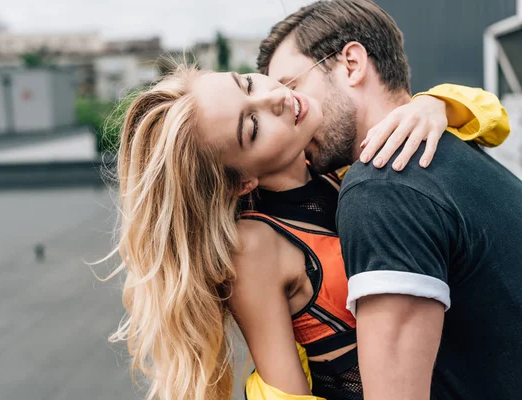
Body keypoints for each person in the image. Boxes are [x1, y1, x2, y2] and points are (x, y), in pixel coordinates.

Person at [105, 59, 508, 400]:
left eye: (247, 83)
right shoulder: (254, 247)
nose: (275, 97)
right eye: (252, 126)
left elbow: (493, 120)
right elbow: (288, 395)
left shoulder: (342, 165)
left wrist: (436, 106)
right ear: (240, 181)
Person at [253, 1, 522, 399]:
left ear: (351, 64)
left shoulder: (382, 188)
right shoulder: (458, 150)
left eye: (292, 87)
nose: (290, 110)